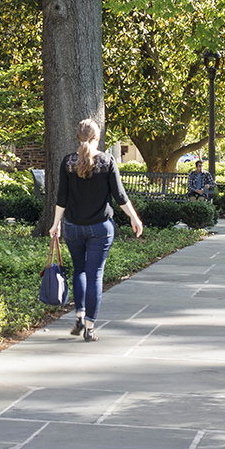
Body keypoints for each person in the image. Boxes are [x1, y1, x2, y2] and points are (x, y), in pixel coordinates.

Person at [49, 118, 145, 341]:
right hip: (101, 228)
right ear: (97, 137)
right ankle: (90, 327)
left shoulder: (67, 163)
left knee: (79, 271)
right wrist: (134, 218)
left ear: (78, 137)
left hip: (73, 228)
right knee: (95, 275)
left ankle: (80, 316)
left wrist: (56, 224)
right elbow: (120, 196)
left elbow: (61, 198)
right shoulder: (107, 161)